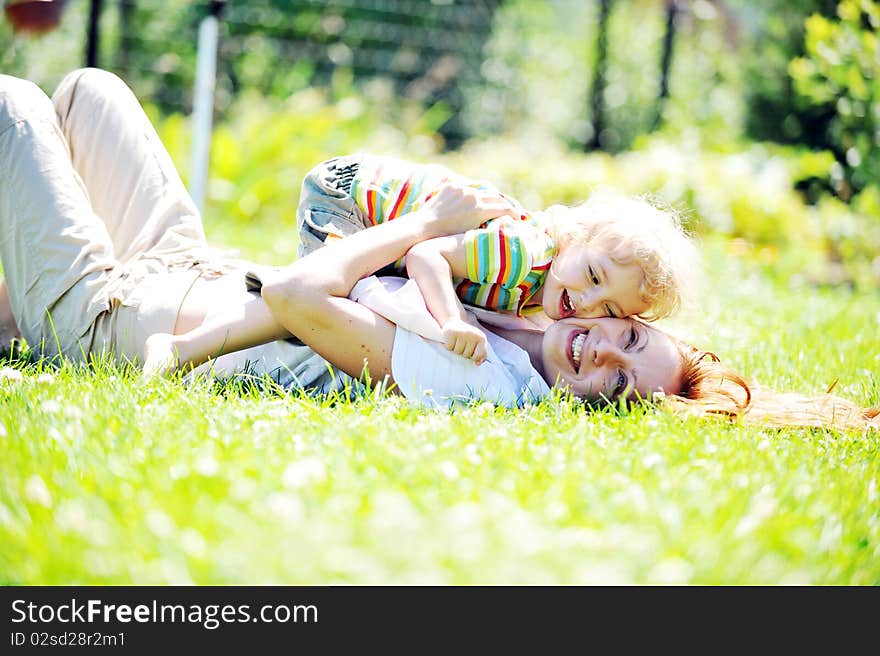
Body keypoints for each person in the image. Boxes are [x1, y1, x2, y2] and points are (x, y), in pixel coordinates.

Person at [0, 68, 875, 429]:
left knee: (16, 106)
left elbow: (304, 294)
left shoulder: (479, 376)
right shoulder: (537, 300)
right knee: (90, 89)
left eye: (613, 377)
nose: (601, 343)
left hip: (118, 316)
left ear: (592, 406)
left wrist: (431, 224)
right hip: (193, 264)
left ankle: (33, 314)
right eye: (630, 336)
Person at [147, 153, 699, 370]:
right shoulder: (523, 252)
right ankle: (184, 349)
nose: (587, 303)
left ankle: (200, 330)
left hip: (361, 198)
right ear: (577, 236)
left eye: (609, 308)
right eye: (595, 276)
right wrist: (451, 321)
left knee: (329, 299)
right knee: (313, 298)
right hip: (349, 198)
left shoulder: (548, 285)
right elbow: (427, 255)